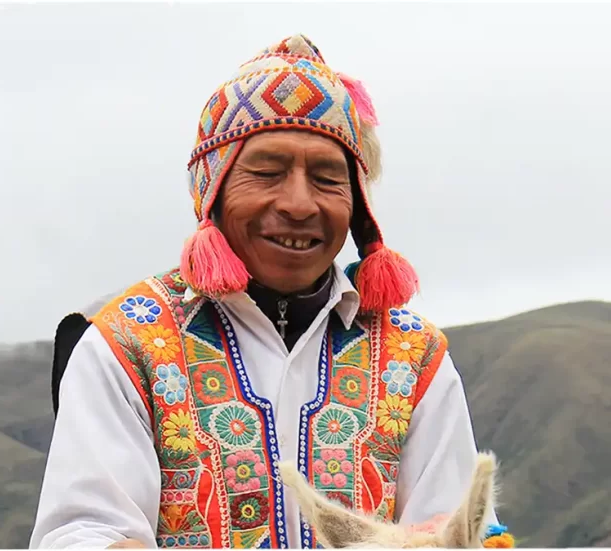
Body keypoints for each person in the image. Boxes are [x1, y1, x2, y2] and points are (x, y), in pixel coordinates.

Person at [30, 34, 510, 549]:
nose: (300, 204)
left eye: (327, 178)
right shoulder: (127, 345)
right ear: (212, 190)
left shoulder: (413, 361)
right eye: (267, 172)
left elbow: (451, 528)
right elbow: (82, 532)